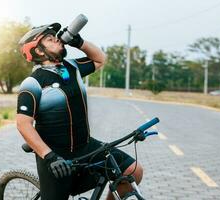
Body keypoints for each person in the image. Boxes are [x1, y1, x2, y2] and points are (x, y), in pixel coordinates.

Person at [16, 22, 143, 200]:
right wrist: (49, 156)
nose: (59, 40)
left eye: (57, 37)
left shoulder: (72, 67)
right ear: (38, 50)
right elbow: (23, 124)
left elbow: (100, 59)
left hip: (86, 146)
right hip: (56, 157)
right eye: (51, 39)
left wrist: (79, 42)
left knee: (133, 171)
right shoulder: (33, 82)